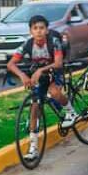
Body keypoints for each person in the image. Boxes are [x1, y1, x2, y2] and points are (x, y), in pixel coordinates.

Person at [7, 15, 76, 160]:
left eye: (41, 28)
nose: (38, 31)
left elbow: (58, 63)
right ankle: (33, 149)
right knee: (34, 109)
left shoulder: (54, 41)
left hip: (54, 71)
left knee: (54, 92)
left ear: (46, 30)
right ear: (31, 31)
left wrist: (40, 70)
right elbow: (11, 64)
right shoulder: (28, 44)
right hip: (40, 76)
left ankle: (71, 112)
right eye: (35, 28)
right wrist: (22, 76)